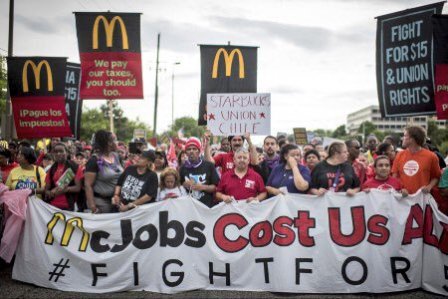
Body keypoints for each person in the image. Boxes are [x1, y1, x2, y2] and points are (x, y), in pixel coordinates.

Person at [392, 126, 441, 195]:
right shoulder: (399, 155)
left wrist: (429, 187)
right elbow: (394, 176)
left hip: (421, 198)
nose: (402, 138)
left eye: (405, 136)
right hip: (402, 198)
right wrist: (400, 189)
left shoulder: (431, 156)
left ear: (412, 139)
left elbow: (436, 176)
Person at [85, 130, 123, 213]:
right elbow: (88, 185)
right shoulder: (95, 160)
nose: (118, 142)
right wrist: (93, 207)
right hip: (101, 204)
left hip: (116, 201)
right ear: (109, 143)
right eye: (115, 140)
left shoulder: (116, 156)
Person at [180, 138, 219, 207]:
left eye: (194, 149)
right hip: (189, 207)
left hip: (206, 207)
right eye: (189, 149)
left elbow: (216, 187)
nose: (191, 151)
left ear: (199, 151)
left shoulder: (209, 166)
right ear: (186, 152)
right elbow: (178, 186)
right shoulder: (182, 168)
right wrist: (184, 184)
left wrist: (202, 187)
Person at [44, 143, 82, 211]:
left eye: (61, 151)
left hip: (69, 206)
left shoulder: (74, 167)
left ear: (67, 153)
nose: (58, 154)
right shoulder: (51, 169)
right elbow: (46, 189)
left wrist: (65, 189)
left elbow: (78, 188)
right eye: (56, 152)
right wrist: (49, 193)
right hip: (52, 206)